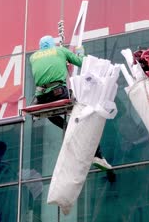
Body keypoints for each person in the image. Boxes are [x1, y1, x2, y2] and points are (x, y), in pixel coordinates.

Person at [29, 35, 112, 170]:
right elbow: (82, 62)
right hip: (59, 92)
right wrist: (79, 53)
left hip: (42, 97)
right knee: (83, 109)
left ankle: (66, 126)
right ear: (52, 44)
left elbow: (46, 67)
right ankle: (97, 154)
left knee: (49, 112)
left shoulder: (33, 57)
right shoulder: (60, 51)